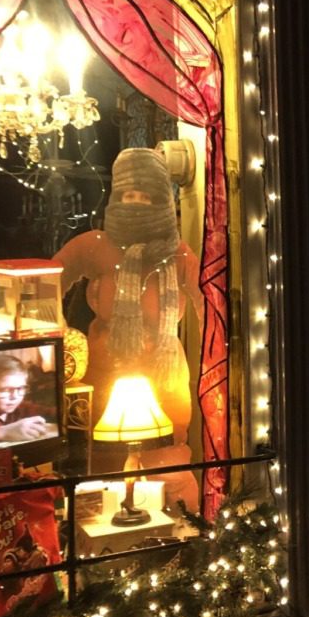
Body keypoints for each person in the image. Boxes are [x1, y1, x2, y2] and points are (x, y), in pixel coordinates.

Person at [54, 148, 201, 505]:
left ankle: (180, 532)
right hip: (106, 373)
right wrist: (58, 333)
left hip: (166, 375)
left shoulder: (179, 254)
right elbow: (46, 283)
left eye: (146, 196)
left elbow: (209, 301)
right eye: (127, 195)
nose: (135, 203)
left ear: (162, 201)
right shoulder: (96, 246)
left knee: (170, 459)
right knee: (104, 467)